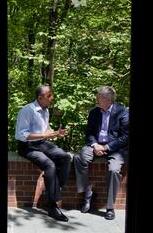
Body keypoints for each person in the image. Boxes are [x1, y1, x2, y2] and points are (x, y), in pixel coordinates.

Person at [15, 85, 71, 222]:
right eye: (49, 96)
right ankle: (52, 206)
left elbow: (45, 130)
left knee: (65, 157)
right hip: (27, 146)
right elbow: (21, 135)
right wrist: (45, 134)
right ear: (40, 98)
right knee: (49, 165)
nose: (52, 98)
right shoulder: (27, 110)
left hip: (42, 143)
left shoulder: (45, 110)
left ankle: (53, 191)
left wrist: (55, 133)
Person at [73, 86, 129, 220]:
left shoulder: (122, 112)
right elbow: (89, 133)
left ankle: (110, 207)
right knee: (78, 158)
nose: (96, 99)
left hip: (115, 149)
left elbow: (125, 137)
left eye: (98, 97)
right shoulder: (94, 112)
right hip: (95, 144)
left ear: (108, 100)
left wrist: (106, 147)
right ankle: (87, 195)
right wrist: (95, 145)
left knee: (114, 170)